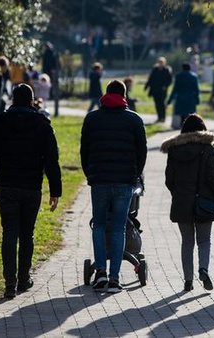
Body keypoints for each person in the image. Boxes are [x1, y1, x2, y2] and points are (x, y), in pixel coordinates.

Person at [0, 84, 62, 299]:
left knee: (9, 232)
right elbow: (52, 159)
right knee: (27, 234)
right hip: (31, 186)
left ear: (13, 100)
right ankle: (24, 279)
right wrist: (55, 190)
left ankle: (9, 283)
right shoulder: (42, 124)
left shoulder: (0, 121)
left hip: (6, 184)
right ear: (32, 100)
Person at [80, 80, 147, 293]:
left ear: (106, 94)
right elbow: (142, 152)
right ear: (124, 95)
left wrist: (90, 174)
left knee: (99, 225)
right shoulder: (134, 120)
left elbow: (85, 150)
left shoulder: (92, 118)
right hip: (124, 181)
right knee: (119, 228)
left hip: (99, 180)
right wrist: (135, 175)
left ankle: (100, 271)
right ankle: (115, 278)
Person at [160, 114, 214, 292]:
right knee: (204, 240)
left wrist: (178, 193)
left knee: (187, 242)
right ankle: (203, 269)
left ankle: (188, 281)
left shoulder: (174, 150)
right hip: (205, 200)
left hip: (182, 201)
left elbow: (169, 180)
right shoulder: (208, 148)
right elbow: (213, 177)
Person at [167, 63, 200, 129]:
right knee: (190, 115)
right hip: (190, 99)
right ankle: (189, 128)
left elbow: (175, 89)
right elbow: (196, 90)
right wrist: (197, 100)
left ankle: (182, 128)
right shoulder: (194, 77)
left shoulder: (178, 76)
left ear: (182, 68)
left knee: (182, 115)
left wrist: (169, 101)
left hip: (180, 98)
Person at [144, 56, 173, 123]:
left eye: (161, 62)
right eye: (159, 62)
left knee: (162, 104)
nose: (160, 63)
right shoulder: (155, 69)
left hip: (162, 91)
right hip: (155, 90)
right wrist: (146, 86)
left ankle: (163, 117)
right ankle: (159, 117)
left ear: (164, 63)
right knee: (157, 104)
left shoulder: (166, 70)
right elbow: (151, 78)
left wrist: (165, 86)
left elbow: (170, 80)